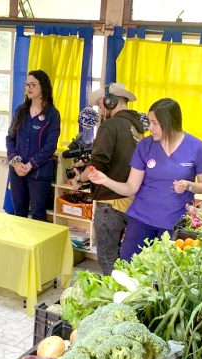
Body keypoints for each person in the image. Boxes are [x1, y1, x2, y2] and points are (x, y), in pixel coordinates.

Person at [87, 98, 202, 260]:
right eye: (149, 122)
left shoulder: (196, 147)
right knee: (128, 268)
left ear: (169, 123)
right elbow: (130, 188)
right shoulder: (145, 146)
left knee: (163, 275)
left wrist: (190, 186)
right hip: (141, 220)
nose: (149, 127)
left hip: (174, 224)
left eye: (154, 123)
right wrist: (104, 180)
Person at [74, 83, 145, 274]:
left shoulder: (110, 125)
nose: (100, 110)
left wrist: (79, 178)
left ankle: (114, 296)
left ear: (110, 101)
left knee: (107, 258)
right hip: (131, 200)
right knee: (126, 257)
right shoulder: (137, 127)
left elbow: (97, 165)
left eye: (100, 104)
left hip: (110, 203)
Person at [5, 70, 60, 221]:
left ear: (43, 87)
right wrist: (16, 162)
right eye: (27, 85)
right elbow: (10, 138)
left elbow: (50, 147)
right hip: (17, 170)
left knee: (38, 214)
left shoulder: (52, 114)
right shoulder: (21, 111)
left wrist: (30, 165)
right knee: (19, 213)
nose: (29, 88)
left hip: (39, 173)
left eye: (33, 84)